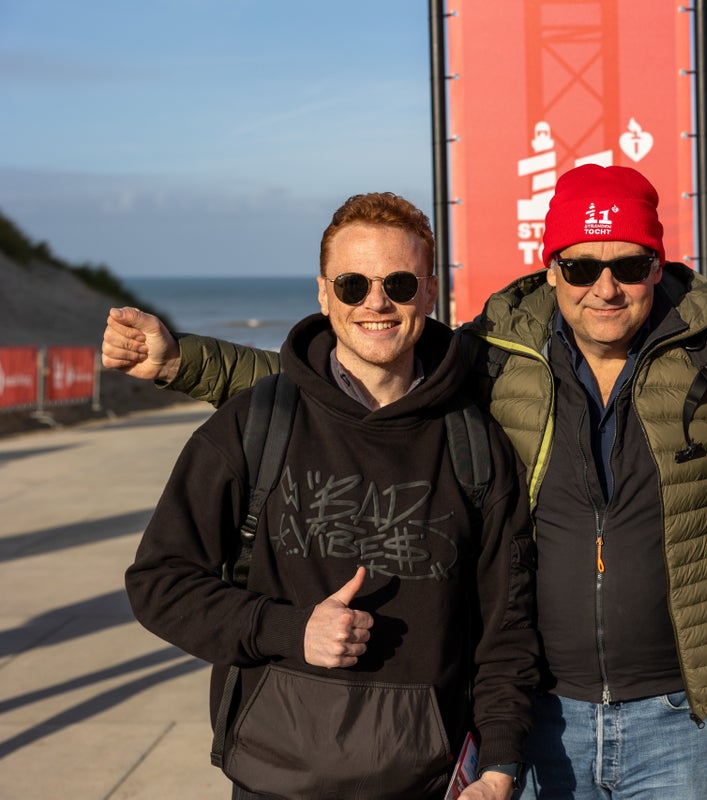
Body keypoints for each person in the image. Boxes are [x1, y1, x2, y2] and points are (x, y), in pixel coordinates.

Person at [104, 165, 707, 799]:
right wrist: (186, 361)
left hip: (686, 715)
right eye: (581, 264)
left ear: (656, 266)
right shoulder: (488, 354)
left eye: (628, 265)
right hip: (537, 715)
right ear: (550, 269)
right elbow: (344, 382)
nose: (605, 285)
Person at [123, 192, 539, 800]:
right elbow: (158, 582)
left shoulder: (474, 441)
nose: (376, 302)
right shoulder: (255, 423)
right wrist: (289, 630)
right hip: (275, 773)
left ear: (429, 292)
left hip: (426, 779)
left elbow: (506, 626)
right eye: (352, 284)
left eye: (399, 282)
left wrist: (500, 763)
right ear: (323, 293)